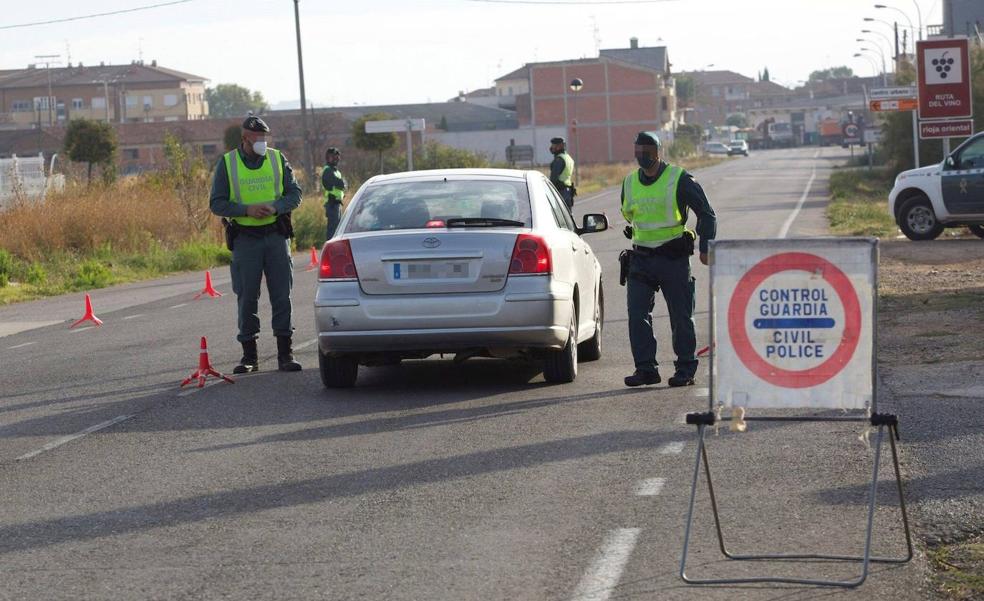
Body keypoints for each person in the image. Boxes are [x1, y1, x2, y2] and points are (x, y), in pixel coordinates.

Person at [621, 131, 716, 388]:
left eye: (647, 152)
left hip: (673, 258)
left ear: (658, 152)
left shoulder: (679, 178)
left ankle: (685, 369)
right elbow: (630, 216)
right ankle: (646, 370)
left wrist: (705, 247)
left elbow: (707, 214)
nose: (642, 156)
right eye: (638, 151)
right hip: (641, 259)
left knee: (681, 316)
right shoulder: (629, 182)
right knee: (637, 315)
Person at [209, 115, 304, 373]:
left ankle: (286, 353)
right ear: (244, 140)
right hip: (245, 239)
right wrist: (245, 210)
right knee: (247, 296)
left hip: (275, 236)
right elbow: (216, 203)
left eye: (264, 138)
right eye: (256, 139)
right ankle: (249, 356)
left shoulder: (276, 159)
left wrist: (276, 206)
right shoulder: (227, 164)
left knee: (282, 295)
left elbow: (295, 194)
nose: (261, 143)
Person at [322, 147, 347, 239]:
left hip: (337, 203)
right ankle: (330, 249)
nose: (336, 159)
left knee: (338, 228)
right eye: (333, 157)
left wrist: (341, 183)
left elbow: (343, 184)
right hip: (332, 203)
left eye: (337, 157)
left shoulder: (336, 171)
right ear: (328, 158)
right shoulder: (327, 170)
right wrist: (341, 183)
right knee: (333, 229)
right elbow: (339, 183)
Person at [548, 136, 576, 210]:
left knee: (556, 215)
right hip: (568, 192)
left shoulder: (559, 160)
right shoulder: (568, 157)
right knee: (568, 216)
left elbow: (553, 179)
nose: (551, 147)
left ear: (559, 146)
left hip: (560, 191)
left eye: (553, 145)